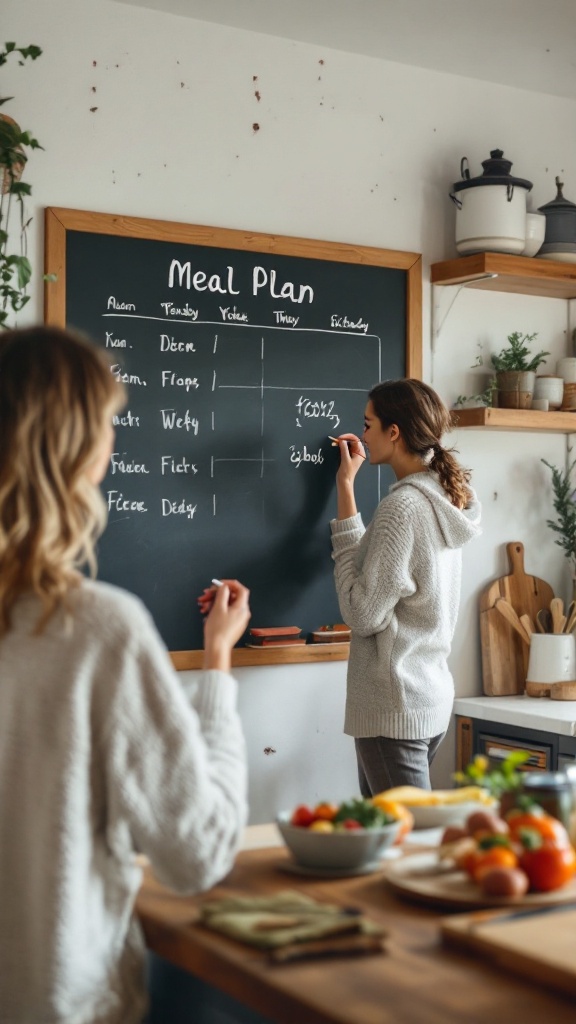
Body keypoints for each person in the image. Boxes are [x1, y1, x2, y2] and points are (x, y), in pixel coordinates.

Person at [0, 325, 251, 1024]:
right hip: (58, 1001)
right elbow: (196, 853)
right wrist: (218, 664)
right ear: (76, 449)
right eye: (109, 423)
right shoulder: (96, 628)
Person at [330, 378, 481, 796]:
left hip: (394, 705)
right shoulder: (446, 498)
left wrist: (342, 546)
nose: (362, 434)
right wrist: (347, 485)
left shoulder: (403, 508)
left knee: (412, 843)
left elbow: (362, 613)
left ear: (393, 432)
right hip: (426, 696)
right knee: (393, 839)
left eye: (368, 424)